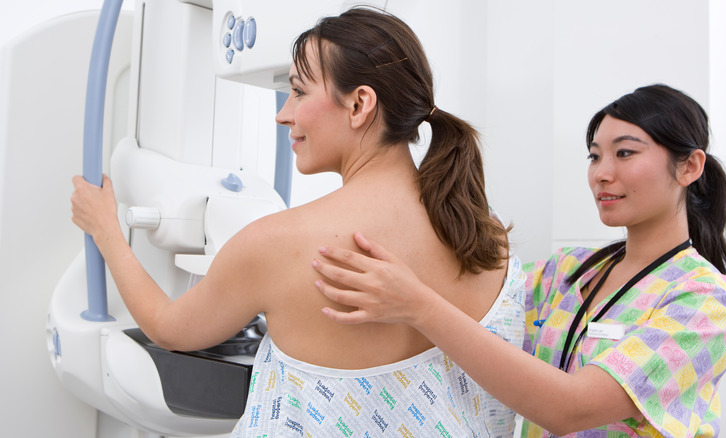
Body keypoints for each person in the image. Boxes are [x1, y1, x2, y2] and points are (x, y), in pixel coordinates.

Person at [71, 6, 526, 437]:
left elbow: (170, 329)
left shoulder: (278, 244)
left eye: (299, 90)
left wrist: (107, 233)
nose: (282, 112)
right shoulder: (487, 239)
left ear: (359, 105)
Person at [312, 84, 726, 437]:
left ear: (689, 167)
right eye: (594, 155)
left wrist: (417, 305)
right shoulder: (570, 272)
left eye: (625, 153)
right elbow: (477, 306)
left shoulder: (706, 305)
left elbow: (570, 410)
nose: (601, 172)